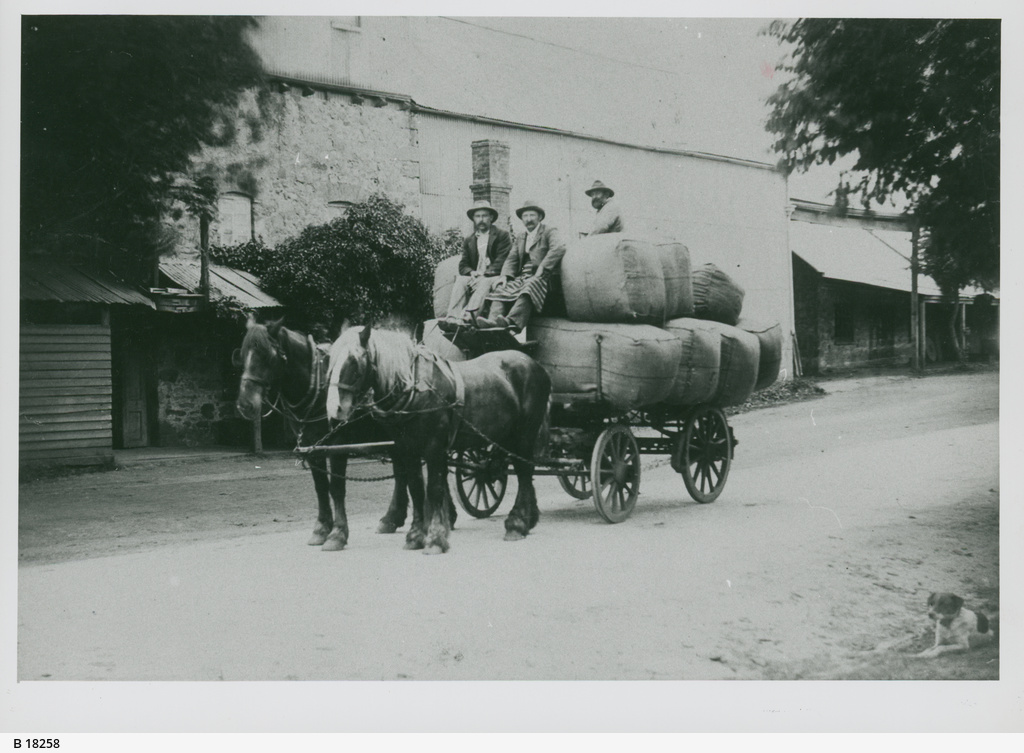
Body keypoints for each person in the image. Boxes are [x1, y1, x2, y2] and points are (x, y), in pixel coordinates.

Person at [476, 199, 566, 334]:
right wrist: (505, 276)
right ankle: (493, 322)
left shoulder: (549, 231)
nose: (528, 219)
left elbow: (559, 247)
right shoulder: (521, 236)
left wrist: (543, 267)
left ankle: (511, 322)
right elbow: (512, 258)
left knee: (529, 286)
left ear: (540, 217)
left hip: (544, 278)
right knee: (501, 287)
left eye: (532, 215)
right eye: (525, 216)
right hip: (523, 277)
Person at [439, 199, 512, 331]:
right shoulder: (470, 239)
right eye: (477, 216)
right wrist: (472, 273)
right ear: (473, 219)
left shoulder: (502, 235)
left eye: (484, 216)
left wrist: (483, 275)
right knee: (461, 280)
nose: (481, 219)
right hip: (476, 276)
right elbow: (463, 265)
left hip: (495, 276)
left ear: (491, 217)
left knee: (485, 282)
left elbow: (502, 261)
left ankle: (468, 319)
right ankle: (452, 318)